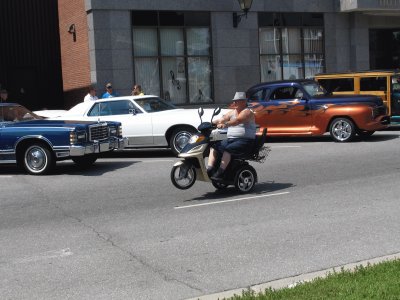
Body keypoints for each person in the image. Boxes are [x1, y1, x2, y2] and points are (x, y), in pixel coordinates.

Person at [207, 91, 257, 180]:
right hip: (231, 139)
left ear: (243, 102)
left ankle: (220, 172)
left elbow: (237, 121)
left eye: (236, 101)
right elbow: (221, 119)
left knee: (228, 150)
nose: (234, 103)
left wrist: (225, 124)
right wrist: (210, 123)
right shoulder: (232, 112)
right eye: (234, 101)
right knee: (213, 147)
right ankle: (210, 169)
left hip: (245, 141)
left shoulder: (247, 112)